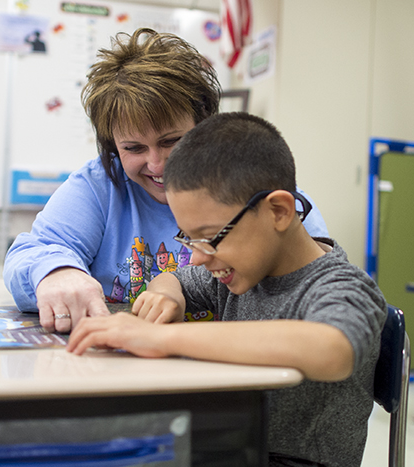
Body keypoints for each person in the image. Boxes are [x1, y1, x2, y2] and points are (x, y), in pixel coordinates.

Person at [66, 113, 387, 467]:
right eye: (189, 238)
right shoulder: (241, 272)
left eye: (210, 237)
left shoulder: (344, 286)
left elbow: (331, 349)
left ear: (279, 211)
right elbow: (176, 279)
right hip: (228, 446)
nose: (199, 257)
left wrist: (156, 338)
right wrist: (165, 294)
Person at [3, 28, 328, 333]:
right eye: (133, 148)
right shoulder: (99, 186)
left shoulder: (258, 189)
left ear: (204, 125)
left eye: (172, 141)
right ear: (113, 148)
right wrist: (56, 272)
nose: (158, 165)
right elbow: (32, 253)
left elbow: (318, 281)